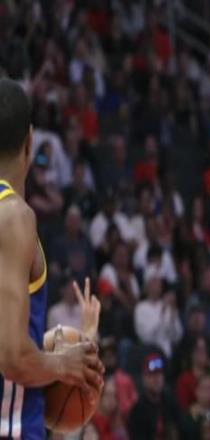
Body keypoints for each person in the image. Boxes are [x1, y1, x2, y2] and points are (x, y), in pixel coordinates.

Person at [0, 78, 103, 439]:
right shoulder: (13, 216)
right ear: (29, 142)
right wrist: (63, 364)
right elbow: (12, 358)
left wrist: (76, 341)